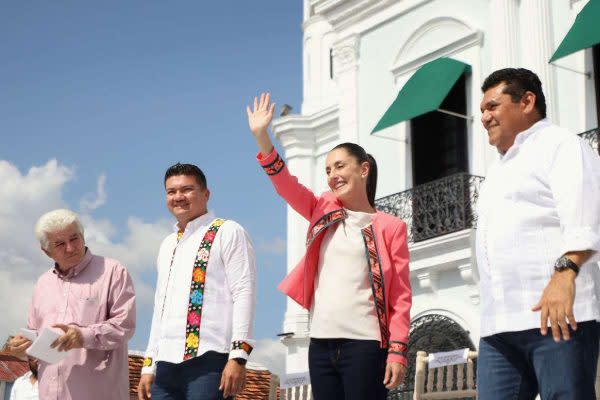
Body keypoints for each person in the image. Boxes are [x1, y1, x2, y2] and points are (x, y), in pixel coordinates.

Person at [246, 93, 412, 400]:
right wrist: (262, 137)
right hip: (320, 345)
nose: (332, 175)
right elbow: (286, 184)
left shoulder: (391, 227)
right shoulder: (320, 209)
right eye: (327, 170)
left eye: (339, 166)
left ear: (363, 169)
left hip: (366, 345)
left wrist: (398, 351)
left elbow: (401, 295)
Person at [476, 68, 600, 399]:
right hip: (498, 325)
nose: (485, 117)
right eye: (482, 111)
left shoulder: (561, 145)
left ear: (527, 101)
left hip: (556, 315)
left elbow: (585, 216)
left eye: (492, 106)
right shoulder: (497, 170)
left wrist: (565, 274)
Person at [138, 163, 256, 400]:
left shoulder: (227, 231)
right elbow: (159, 306)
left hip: (210, 359)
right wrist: (148, 365)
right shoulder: (167, 244)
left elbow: (244, 291)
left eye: (187, 189)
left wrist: (238, 356)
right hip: (166, 364)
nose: (178, 197)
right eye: (171, 192)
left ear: (206, 194)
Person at [6, 209, 136, 400]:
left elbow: (124, 327)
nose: (70, 247)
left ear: (83, 236)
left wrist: (82, 336)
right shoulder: (42, 284)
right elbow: (35, 339)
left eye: (74, 238)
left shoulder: (113, 271)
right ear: (46, 251)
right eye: (59, 244)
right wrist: (22, 347)